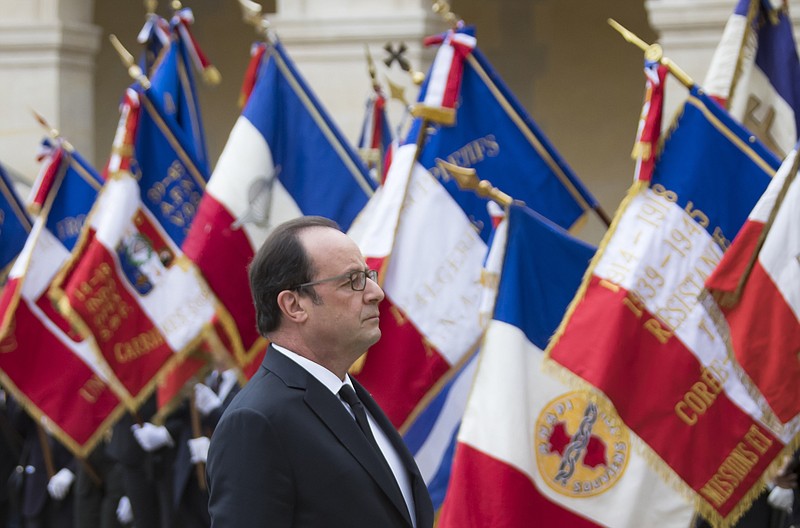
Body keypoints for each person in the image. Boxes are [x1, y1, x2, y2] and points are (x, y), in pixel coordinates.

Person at [207, 216, 434, 528]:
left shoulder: (349, 395)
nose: (375, 292)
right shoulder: (255, 422)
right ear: (294, 306)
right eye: (352, 280)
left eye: (368, 275)